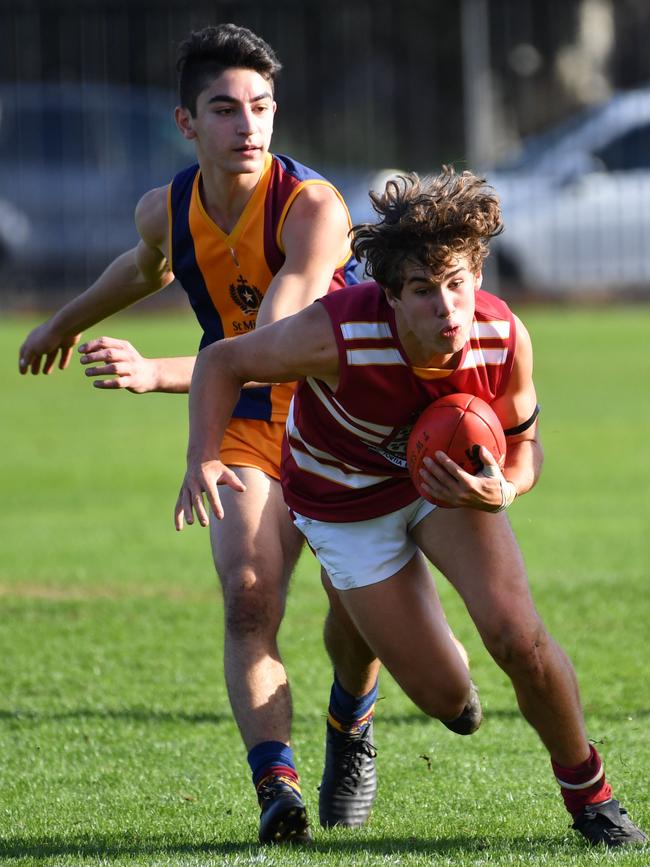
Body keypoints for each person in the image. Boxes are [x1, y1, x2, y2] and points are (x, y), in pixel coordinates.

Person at [16, 23, 480, 845]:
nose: (248, 125)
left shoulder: (314, 210)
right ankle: (278, 787)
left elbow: (273, 337)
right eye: (225, 109)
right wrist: (62, 322)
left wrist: (160, 371)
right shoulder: (168, 204)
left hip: (340, 425)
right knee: (249, 598)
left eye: (261, 106)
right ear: (186, 123)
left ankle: (350, 720)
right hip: (248, 425)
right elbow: (146, 264)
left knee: (354, 618)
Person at [175, 166, 647, 849]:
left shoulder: (501, 333)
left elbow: (525, 445)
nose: (448, 308)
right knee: (450, 701)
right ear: (388, 296)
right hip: (343, 500)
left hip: (446, 485)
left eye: (457, 283)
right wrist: (202, 458)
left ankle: (591, 795)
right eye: (424, 291)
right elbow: (221, 363)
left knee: (519, 635)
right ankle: (350, 712)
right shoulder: (334, 332)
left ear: (477, 276)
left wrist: (505, 487)